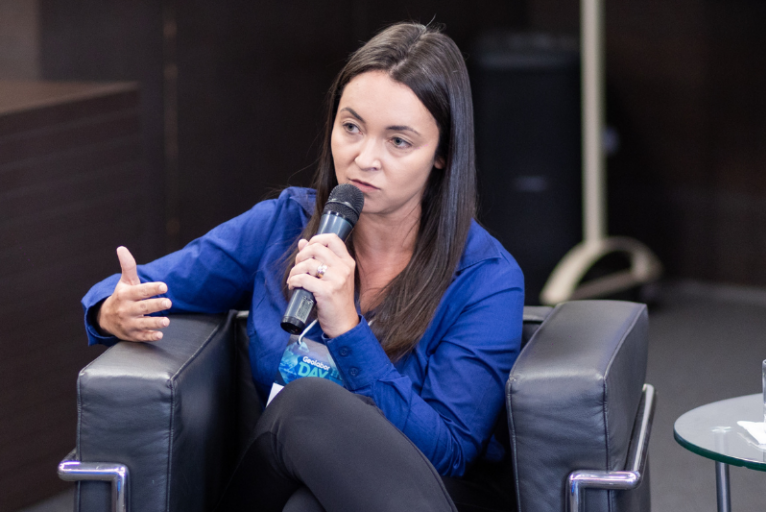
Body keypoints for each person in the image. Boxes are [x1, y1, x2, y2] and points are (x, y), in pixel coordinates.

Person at [82, 22, 524, 512]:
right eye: (351, 128)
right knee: (305, 416)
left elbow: (451, 452)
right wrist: (110, 311)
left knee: (306, 478)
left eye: (398, 142)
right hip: (274, 480)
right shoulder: (283, 225)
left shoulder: (486, 278)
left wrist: (349, 330)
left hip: (429, 492)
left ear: (442, 154)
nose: (364, 158)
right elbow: (134, 285)